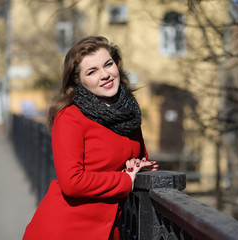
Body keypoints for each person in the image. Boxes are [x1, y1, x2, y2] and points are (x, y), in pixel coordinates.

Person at [23, 36, 158, 240]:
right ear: (79, 81)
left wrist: (136, 166)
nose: (105, 75)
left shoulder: (128, 112)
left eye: (108, 64)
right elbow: (71, 181)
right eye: (92, 71)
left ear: (117, 65)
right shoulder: (70, 116)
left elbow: (143, 160)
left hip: (110, 229)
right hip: (65, 230)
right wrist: (124, 179)